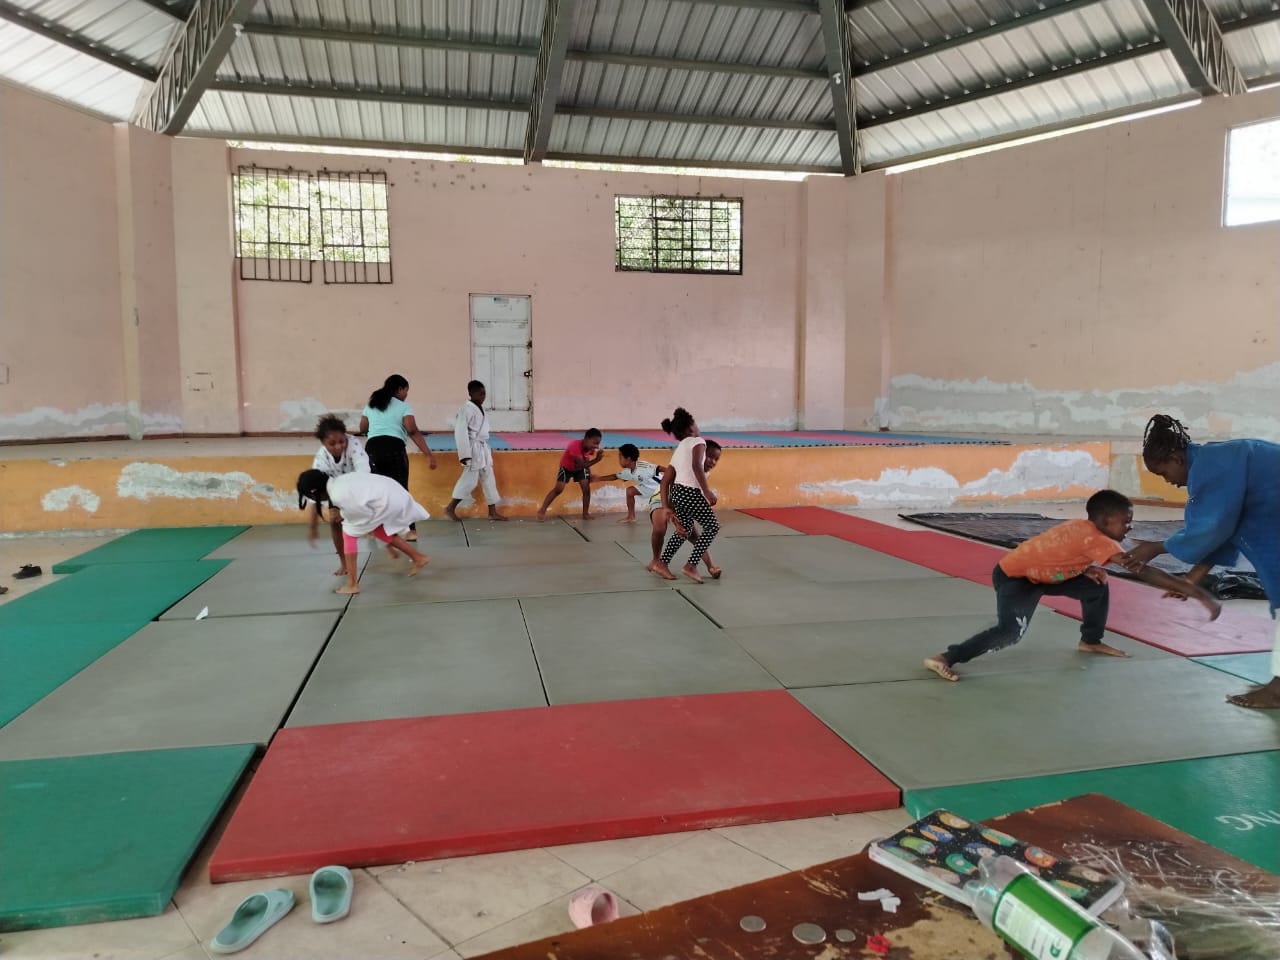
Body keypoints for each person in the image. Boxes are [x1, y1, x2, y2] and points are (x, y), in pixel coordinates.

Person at [924, 489, 1219, 682]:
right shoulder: (1095, 538)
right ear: (1105, 520)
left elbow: (1059, 553)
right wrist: (1197, 593)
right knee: (1011, 632)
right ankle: (946, 657)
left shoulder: (1084, 528)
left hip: (1046, 575)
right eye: (1125, 522)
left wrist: (1085, 568)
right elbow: (1143, 571)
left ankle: (1090, 640)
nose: (1130, 527)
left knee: (1096, 586)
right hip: (1016, 578)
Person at [1123, 414, 1280, 709]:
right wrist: (1191, 581)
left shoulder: (1213, 467)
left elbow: (1211, 527)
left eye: (1164, 473)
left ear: (1176, 458)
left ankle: (1278, 690)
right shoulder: (1215, 461)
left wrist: (1158, 547)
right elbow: (1227, 528)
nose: (1169, 482)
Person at [296, 469, 431, 595]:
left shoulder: (338, 494)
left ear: (315, 493)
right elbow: (363, 514)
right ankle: (419, 558)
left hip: (390, 501)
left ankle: (352, 584)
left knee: (348, 534)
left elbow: (362, 514)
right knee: (375, 529)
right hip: (395, 495)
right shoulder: (340, 481)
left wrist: (342, 515)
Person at [359, 374, 437, 541]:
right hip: (393, 449)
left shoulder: (371, 405)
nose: (406, 395)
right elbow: (412, 430)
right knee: (401, 490)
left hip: (372, 450)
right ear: (399, 389)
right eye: (406, 391)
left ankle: (375, 529)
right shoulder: (403, 407)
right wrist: (428, 454)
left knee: (376, 491)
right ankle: (409, 531)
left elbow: (363, 428)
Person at [651, 408, 719, 584]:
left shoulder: (680, 448)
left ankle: (662, 564)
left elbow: (665, 481)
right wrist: (706, 491)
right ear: (691, 427)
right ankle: (691, 565)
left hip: (678, 493)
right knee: (712, 527)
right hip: (690, 492)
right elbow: (697, 465)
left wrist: (667, 506)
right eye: (695, 423)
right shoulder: (698, 441)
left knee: (685, 530)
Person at [307, 414, 371, 575]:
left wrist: (350, 507)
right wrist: (313, 527)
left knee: (374, 520)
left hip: (358, 484)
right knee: (335, 522)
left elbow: (364, 473)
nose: (338, 447)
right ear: (323, 443)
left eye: (342, 441)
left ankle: (392, 546)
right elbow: (314, 496)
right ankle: (344, 563)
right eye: (332, 443)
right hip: (335, 487)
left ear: (346, 437)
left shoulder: (353, 444)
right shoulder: (321, 460)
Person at [444, 380, 507, 522]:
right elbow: (460, 433)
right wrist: (464, 455)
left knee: (489, 479)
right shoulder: (466, 410)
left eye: (484, 394)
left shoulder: (480, 409)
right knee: (470, 481)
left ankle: (492, 512)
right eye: (480, 394)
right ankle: (450, 508)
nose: (483, 397)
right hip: (472, 450)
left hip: (482, 448)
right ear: (471, 394)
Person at [536, 428, 604, 521]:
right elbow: (582, 464)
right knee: (558, 489)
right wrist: (597, 460)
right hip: (566, 468)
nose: (597, 446)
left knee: (586, 489)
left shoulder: (590, 448)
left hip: (580, 469)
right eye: (595, 443)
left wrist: (590, 475)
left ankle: (585, 513)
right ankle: (542, 510)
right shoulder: (575, 446)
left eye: (598, 444)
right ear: (587, 439)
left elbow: (586, 461)